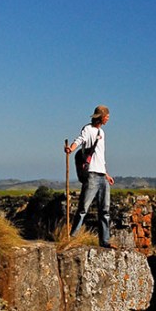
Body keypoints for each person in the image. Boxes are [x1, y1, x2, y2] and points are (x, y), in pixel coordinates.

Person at [65, 105, 115, 248]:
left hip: (102, 175)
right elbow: (79, 140)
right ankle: (72, 237)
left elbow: (100, 156)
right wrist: (71, 148)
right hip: (92, 174)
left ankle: (104, 241)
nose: (108, 119)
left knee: (105, 210)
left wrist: (106, 174)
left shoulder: (102, 132)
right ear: (101, 116)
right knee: (83, 208)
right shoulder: (88, 129)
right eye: (107, 116)